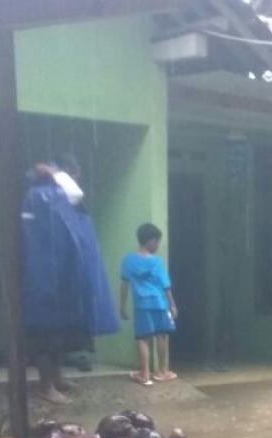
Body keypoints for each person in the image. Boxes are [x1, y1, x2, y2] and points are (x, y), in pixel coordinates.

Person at [20, 157, 119, 404]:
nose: (78, 179)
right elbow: (47, 241)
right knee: (46, 335)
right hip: (46, 281)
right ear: (65, 174)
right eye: (76, 174)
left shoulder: (61, 198)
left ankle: (57, 378)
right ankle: (46, 386)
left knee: (60, 336)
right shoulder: (44, 197)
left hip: (62, 279)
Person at [119, 223, 177, 386]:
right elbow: (166, 286)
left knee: (143, 338)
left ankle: (144, 374)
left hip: (141, 304)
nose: (158, 245)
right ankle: (162, 372)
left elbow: (125, 284)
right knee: (162, 335)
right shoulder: (157, 262)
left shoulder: (128, 260)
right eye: (158, 241)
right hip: (160, 303)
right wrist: (172, 305)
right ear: (151, 241)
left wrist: (122, 306)